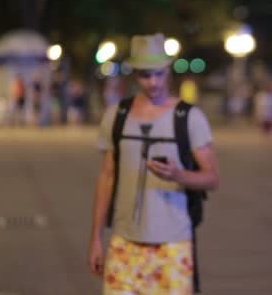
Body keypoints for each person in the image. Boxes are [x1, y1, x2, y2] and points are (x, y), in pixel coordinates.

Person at [88, 34, 220, 295]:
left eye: (159, 74)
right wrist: (95, 239)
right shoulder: (117, 116)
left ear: (168, 70)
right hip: (124, 242)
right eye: (145, 75)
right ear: (134, 74)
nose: (153, 83)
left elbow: (212, 178)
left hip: (173, 244)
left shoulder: (189, 117)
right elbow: (106, 176)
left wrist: (179, 174)